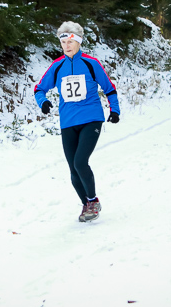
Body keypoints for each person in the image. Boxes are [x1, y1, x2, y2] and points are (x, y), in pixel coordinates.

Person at [34, 21, 120, 222]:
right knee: (73, 170)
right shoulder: (57, 66)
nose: (67, 45)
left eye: (71, 40)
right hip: (68, 122)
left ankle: (93, 200)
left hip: (91, 119)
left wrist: (114, 110)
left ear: (79, 41)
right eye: (63, 41)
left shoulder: (91, 63)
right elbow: (39, 88)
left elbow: (109, 88)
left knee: (81, 162)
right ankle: (87, 205)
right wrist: (43, 102)